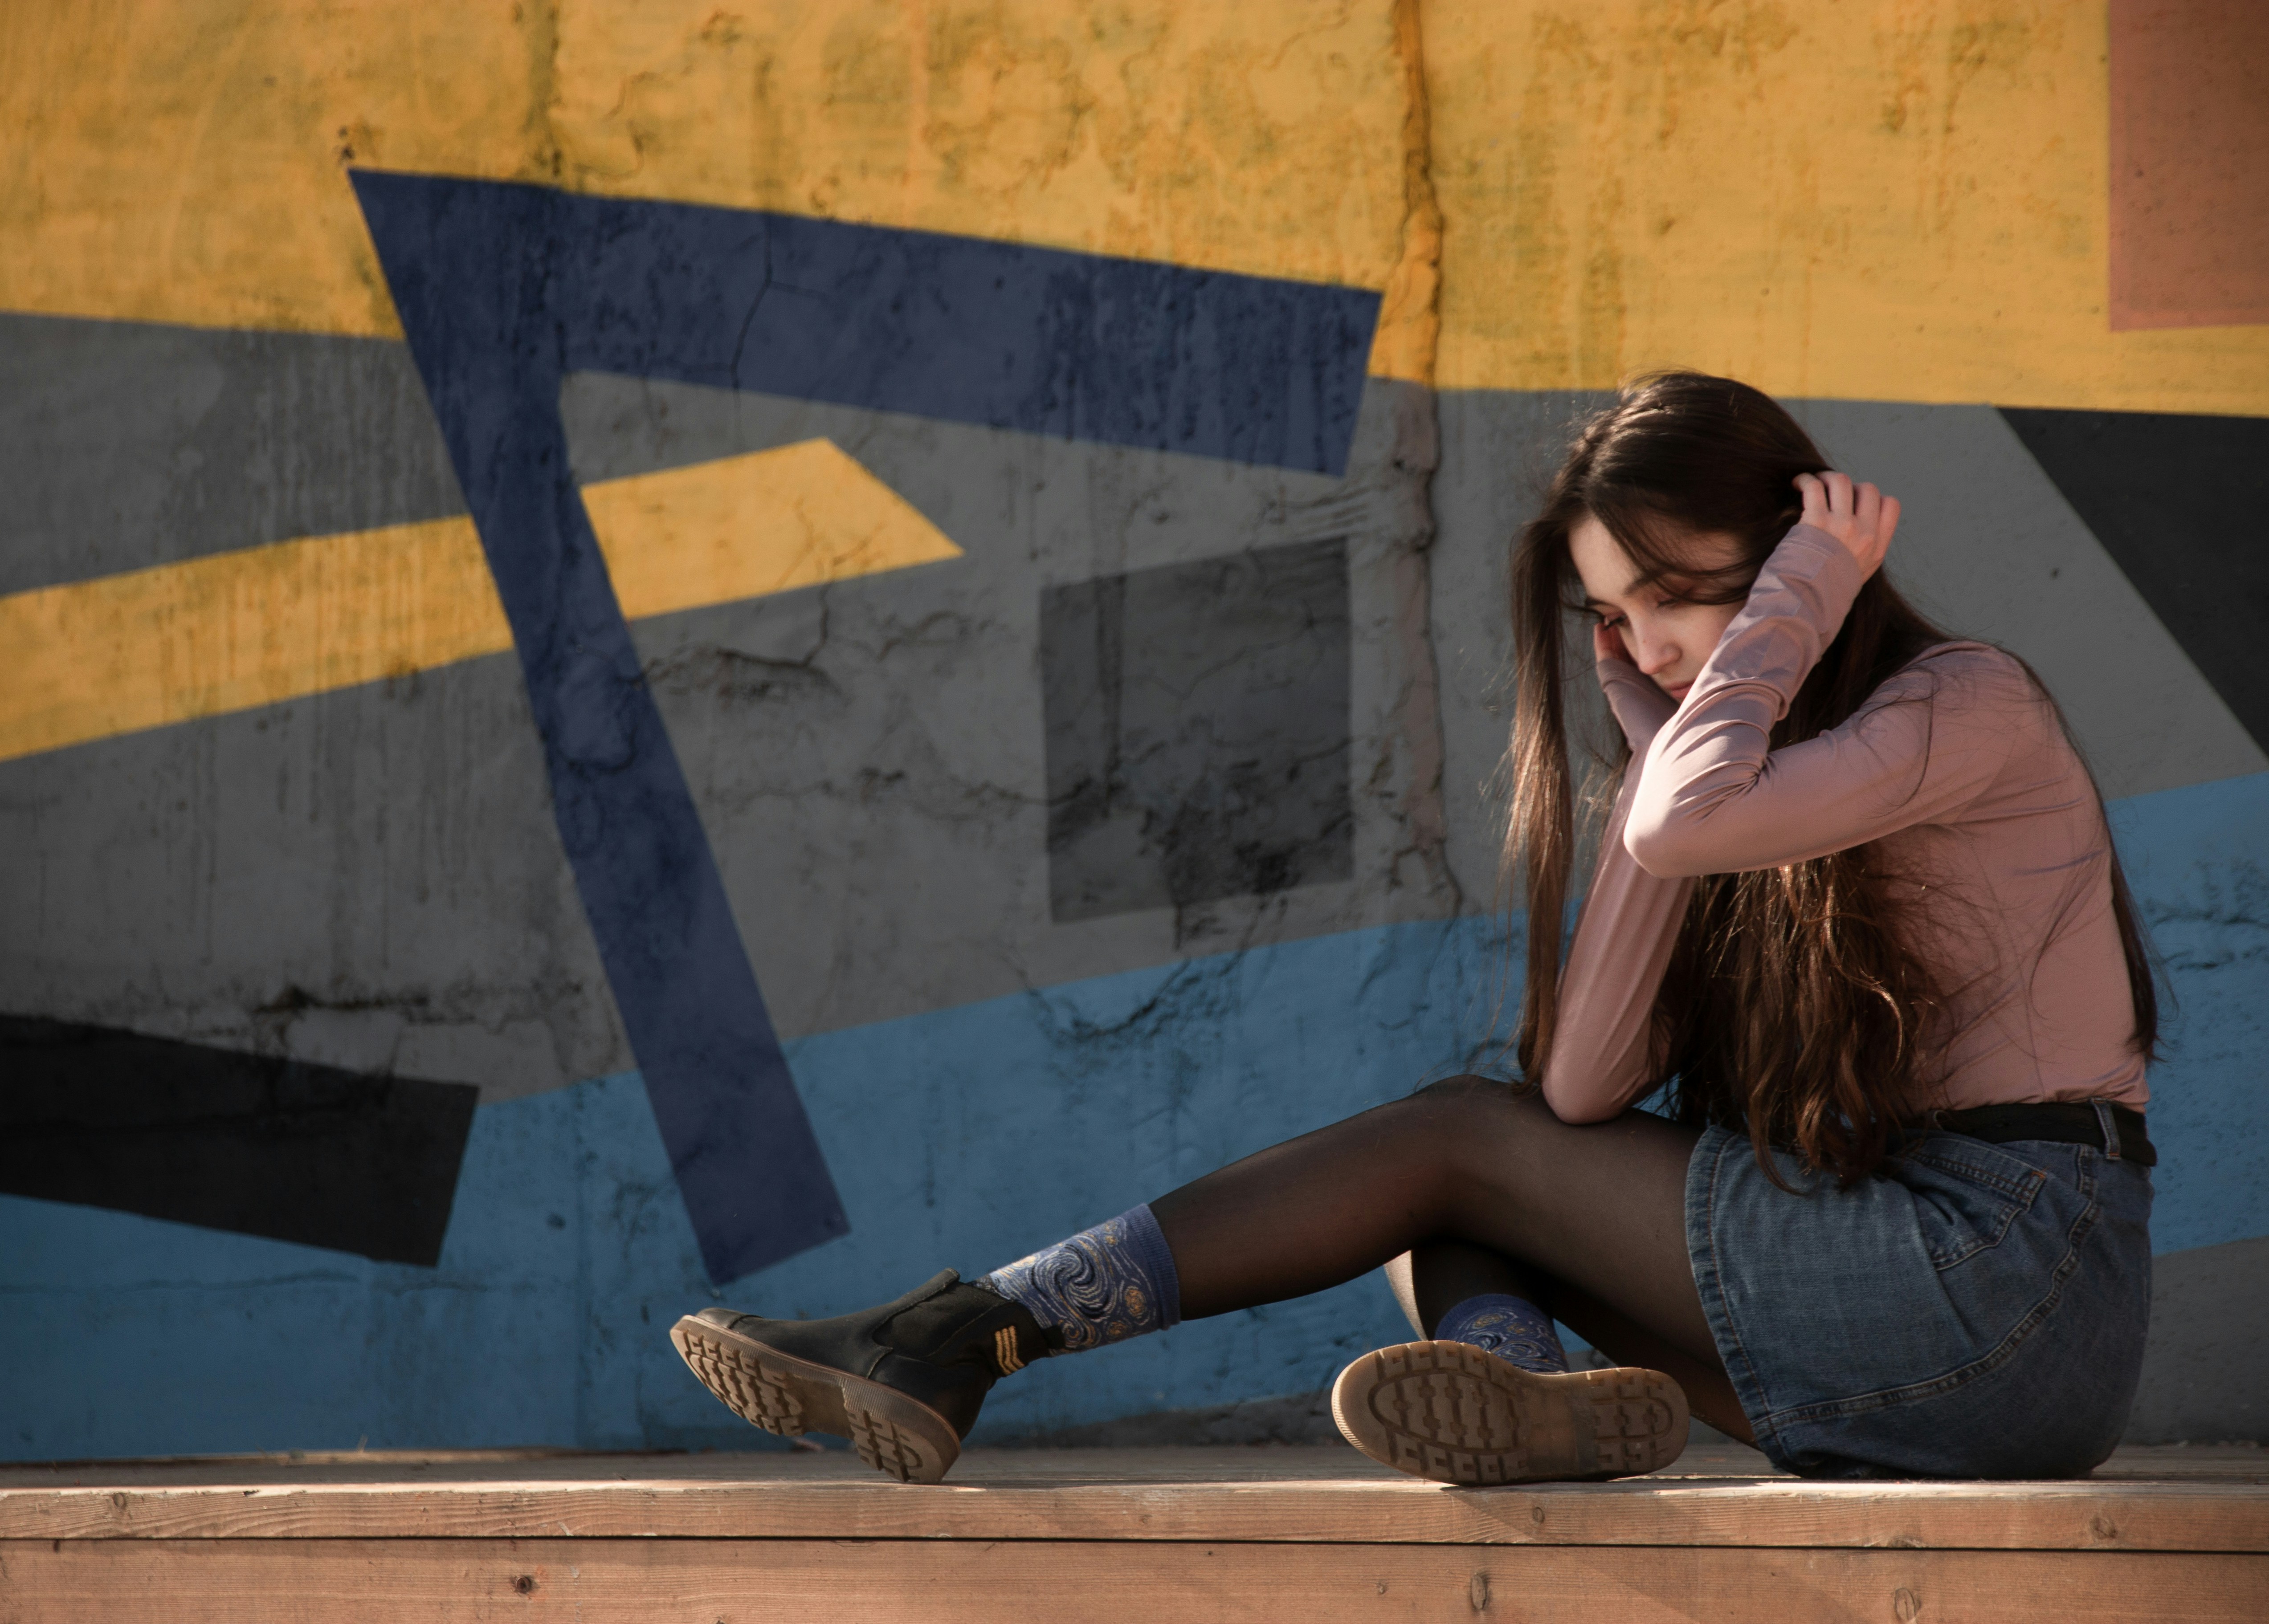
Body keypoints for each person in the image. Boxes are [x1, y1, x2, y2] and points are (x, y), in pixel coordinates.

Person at [669, 372, 2158, 1486]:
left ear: (1786, 555)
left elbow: (1679, 834)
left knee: (1455, 1137)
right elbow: (1580, 1092)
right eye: (1614, 620)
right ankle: (1520, 1404)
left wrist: (1780, 622)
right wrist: (1670, 741)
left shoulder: (1963, 706)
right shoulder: (1753, 780)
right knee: (1453, 1190)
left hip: (2007, 1276)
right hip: (1961, 1327)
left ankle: (960, 1332)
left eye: (1676, 596)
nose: (1645, 649)